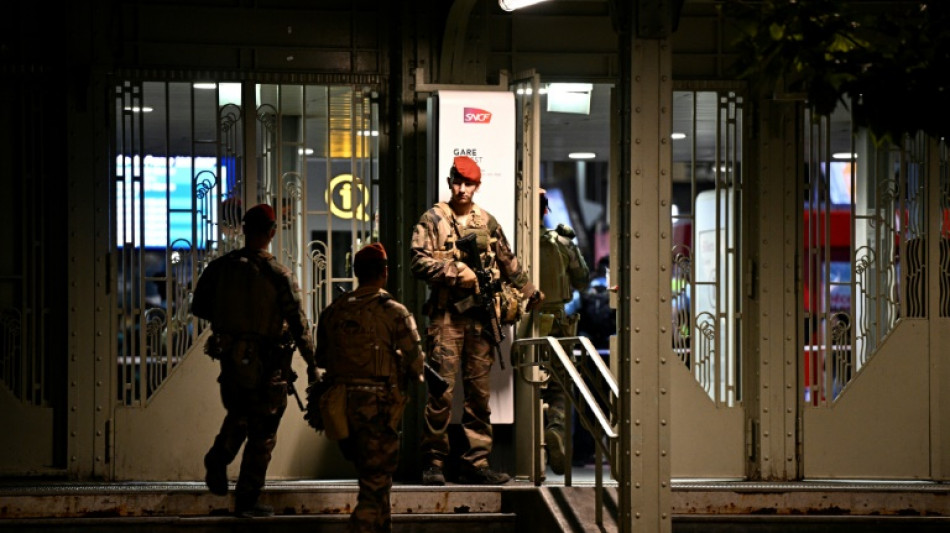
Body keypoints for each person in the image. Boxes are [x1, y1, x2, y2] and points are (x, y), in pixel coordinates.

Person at [410, 155, 543, 485]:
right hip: (445, 319)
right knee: (440, 393)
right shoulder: (433, 220)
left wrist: (528, 291)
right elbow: (417, 262)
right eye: (457, 181)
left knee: (479, 396)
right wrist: (456, 271)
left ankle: (476, 461)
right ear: (449, 181)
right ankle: (434, 462)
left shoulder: (487, 222)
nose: (461, 188)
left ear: (477, 185)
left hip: (480, 320)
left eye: (468, 183)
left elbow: (507, 261)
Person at [191, 203, 316, 518]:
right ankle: (247, 499)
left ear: (244, 229)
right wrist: (313, 364)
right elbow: (300, 325)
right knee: (264, 430)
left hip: (231, 361)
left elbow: (200, 307)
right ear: (272, 232)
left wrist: (233, 327)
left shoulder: (219, 268)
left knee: (240, 413)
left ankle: (219, 457)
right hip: (269, 364)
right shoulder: (278, 274)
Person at [313, 242, 424, 533]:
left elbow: (321, 357)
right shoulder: (395, 312)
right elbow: (417, 364)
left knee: (376, 480)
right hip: (377, 409)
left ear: (356, 273)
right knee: (374, 487)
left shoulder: (334, 311)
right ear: (384, 272)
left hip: (341, 408)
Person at [536, 189, 590, 475]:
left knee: (524, 385)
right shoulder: (563, 242)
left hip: (523, 324)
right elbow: (582, 280)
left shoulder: (512, 244)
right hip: (557, 323)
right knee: (558, 384)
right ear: (546, 211)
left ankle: (528, 446)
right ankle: (555, 427)